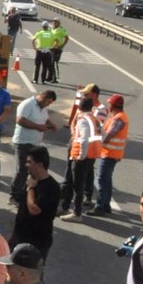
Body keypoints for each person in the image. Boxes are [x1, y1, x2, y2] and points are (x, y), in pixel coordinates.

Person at [9, 90, 58, 207]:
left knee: (31, 169)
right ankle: (14, 195)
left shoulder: (43, 107)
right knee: (22, 169)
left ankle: (25, 193)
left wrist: (51, 124)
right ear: (43, 97)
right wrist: (38, 127)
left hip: (35, 143)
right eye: (48, 102)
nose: (48, 105)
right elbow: (20, 120)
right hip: (23, 142)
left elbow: (45, 119)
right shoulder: (27, 104)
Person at [61, 84, 105, 212]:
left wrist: (82, 154)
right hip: (83, 150)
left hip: (82, 153)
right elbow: (103, 133)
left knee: (77, 182)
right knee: (73, 177)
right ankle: (69, 202)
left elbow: (86, 138)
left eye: (87, 93)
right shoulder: (91, 116)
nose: (85, 95)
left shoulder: (95, 112)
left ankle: (77, 209)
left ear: (94, 95)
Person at [10, 146, 59, 260]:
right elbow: (22, 209)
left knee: (31, 275)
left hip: (36, 243)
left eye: (29, 162)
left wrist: (31, 188)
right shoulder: (31, 180)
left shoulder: (51, 187)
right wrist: (13, 237)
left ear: (40, 165)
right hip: (20, 237)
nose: (26, 165)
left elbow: (34, 209)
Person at [89, 94, 129, 217]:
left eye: (110, 103)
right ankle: (106, 205)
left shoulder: (118, 119)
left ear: (114, 105)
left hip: (109, 154)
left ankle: (100, 206)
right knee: (107, 180)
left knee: (102, 180)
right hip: (111, 153)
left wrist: (94, 141)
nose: (108, 105)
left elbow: (107, 137)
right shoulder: (117, 117)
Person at [50, 19, 69, 83]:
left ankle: (56, 78)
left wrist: (62, 45)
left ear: (59, 23)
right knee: (51, 63)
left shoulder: (61, 29)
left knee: (54, 63)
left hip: (57, 48)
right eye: (53, 22)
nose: (54, 23)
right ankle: (53, 77)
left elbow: (66, 38)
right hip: (52, 48)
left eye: (56, 22)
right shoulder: (52, 29)